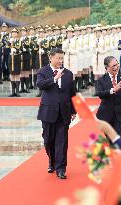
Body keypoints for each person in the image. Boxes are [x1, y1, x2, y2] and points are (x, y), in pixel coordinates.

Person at [36, 48, 76, 179]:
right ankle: (52, 161)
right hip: (48, 112)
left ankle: (61, 168)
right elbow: (40, 85)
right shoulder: (43, 71)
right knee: (48, 140)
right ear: (51, 58)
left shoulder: (68, 74)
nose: (60, 61)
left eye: (62, 58)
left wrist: (73, 110)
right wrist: (54, 79)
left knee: (62, 141)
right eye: (58, 58)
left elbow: (72, 94)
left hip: (64, 112)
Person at [96, 56, 121, 139]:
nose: (116, 67)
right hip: (106, 117)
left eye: (117, 64)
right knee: (110, 141)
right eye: (113, 66)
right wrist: (113, 90)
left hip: (120, 116)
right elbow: (100, 94)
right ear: (106, 67)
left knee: (117, 140)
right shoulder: (101, 80)